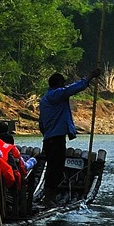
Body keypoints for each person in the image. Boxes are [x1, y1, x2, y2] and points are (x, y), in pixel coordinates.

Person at [36, 71, 90, 205]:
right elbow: (72, 89)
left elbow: (41, 124)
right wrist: (89, 77)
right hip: (55, 138)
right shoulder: (55, 94)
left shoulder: (45, 99)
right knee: (55, 169)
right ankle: (49, 198)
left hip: (49, 138)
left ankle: (50, 197)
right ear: (59, 84)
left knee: (54, 168)